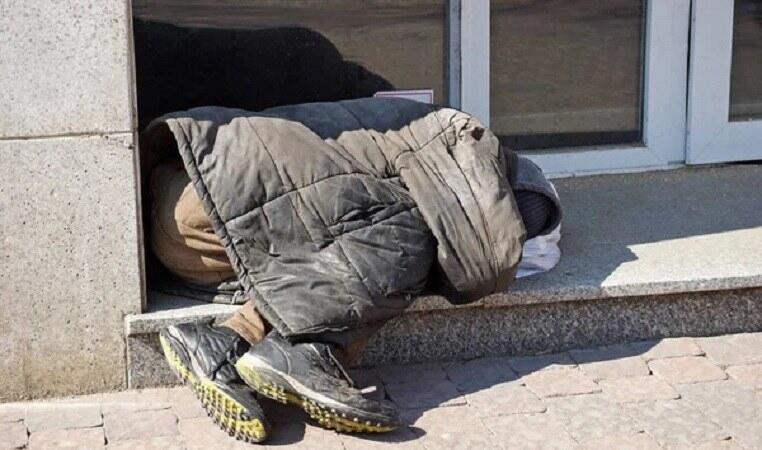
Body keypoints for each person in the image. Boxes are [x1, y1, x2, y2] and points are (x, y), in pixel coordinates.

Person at [142, 97, 561, 444]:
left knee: (356, 230)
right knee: (409, 239)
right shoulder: (458, 148)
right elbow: (482, 258)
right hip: (216, 204)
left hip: (188, 199)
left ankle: (224, 341)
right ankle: (307, 354)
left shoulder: (406, 128)